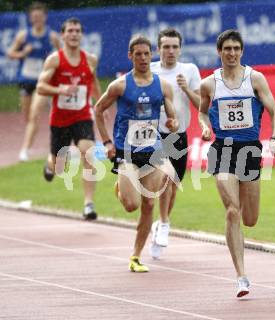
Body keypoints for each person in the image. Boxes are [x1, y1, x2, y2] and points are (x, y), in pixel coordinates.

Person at [198, 29, 275, 298]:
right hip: (222, 149)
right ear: (219, 52)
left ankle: (242, 269)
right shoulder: (209, 84)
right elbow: (201, 111)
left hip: (249, 150)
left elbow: (274, 111)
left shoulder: (255, 78)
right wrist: (204, 127)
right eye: (227, 49)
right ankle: (241, 276)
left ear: (242, 51)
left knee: (250, 218)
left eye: (236, 49)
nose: (231, 53)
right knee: (232, 210)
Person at [94, 35, 179, 272]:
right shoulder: (120, 85)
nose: (143, 58)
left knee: (149, 204)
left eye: (146, 53)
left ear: (151, 54)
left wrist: (172, 122)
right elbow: (98, 109)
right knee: (131, 205)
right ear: (130, 56)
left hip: (152, 151)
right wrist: (106, 142)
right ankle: (122, 188)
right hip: (126, 151)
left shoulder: (162, 85)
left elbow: (171, 115)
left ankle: (135, 256)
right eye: (138, 54)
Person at [36, 17, 102, 220]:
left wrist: (100, 103)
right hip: (60, 120)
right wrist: (60, 89)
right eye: (70, 31)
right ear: (63, 35)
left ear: (82, 35)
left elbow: (93, 82)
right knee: (58, 166)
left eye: (77, 31)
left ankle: (88, 204)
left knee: (88, 153)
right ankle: (49, 165)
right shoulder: (55, 60)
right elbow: (40, 87)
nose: (74, 34)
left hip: (82, 115)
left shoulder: (90, 59)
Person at [148, 28, 201, 259]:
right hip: (153, 134)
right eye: (166, 47)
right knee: (166, 178)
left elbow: (202, 105)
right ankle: (165, 223)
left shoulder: (189, 70)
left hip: (178, 134)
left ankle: (159, 224)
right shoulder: (149, 70)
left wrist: (186, 88)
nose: (170, 51)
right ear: (158, 49)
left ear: (180, 48)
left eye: (174, 47)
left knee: (173, 185)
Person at [6, 2, 61, 161]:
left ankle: (25, 150)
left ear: (44, 18)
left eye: (39, 17)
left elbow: (61, 55)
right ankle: (36, 139)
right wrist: (24, 52)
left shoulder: (51, 36)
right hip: (26, 79)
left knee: (35, 112)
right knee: (28, 117)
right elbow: (10, 53)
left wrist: (51, 60)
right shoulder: (23, 35)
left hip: (42, 81)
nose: (37, 19)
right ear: (31, 18)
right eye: (34, 17)